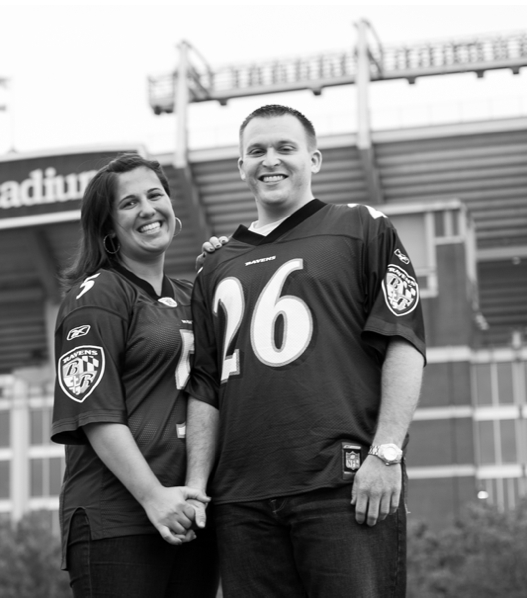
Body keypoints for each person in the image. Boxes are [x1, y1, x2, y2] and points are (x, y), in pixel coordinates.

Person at [185, 104, 426, 597]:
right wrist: (197, 488)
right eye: (256, 151)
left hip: (343, 485)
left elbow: (404, 341)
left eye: (284, 148)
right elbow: (205, 387)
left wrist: (386, 454)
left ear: (314, 159)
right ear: (240, 167)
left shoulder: (362, 227)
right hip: (242, 500)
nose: (270, 160)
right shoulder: (214, 267)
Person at [50, 153, 219, 597]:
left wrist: (230, 260)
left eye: (155, 195)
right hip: (119, 520)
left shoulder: (190, 294)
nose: (147, 209)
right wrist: (153, 497)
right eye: (128, 203)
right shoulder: (99, 295)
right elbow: (95, 412)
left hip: (190, 515)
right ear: (107, 228)